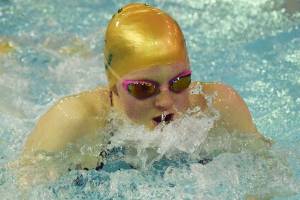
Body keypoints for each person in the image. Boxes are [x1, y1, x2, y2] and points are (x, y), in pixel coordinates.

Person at [21, 3, 270, 172]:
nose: (165, 102)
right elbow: (22, 189)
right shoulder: (74, 121)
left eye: (179, 82)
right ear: (114, 87)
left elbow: (269, 171)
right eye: (143, 89)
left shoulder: (218, 108)